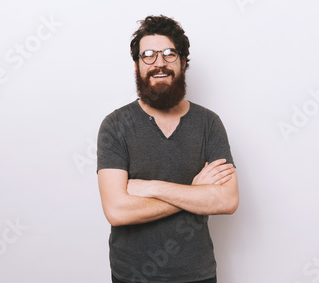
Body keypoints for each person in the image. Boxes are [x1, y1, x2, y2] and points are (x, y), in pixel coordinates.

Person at [97, 15, 239, 283]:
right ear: (137, 65)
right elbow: (117, 211)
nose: (159, 63)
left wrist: (151, 187)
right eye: (148, 55)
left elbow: (227, 201)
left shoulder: (208, 123)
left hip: (197, 275)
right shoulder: (115, 125)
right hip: (132, 276)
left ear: (183, 62)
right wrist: (196, 194)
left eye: (169, 54)